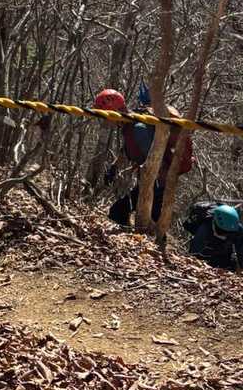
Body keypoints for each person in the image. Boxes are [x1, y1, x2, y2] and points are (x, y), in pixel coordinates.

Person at [93, 87, 194, 227]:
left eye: (105, 115)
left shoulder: (138, 128)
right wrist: (114, 168)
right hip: (152, 183)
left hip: (157, 185)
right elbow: (126, 150)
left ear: (113, 111)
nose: (104, 121)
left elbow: (154, 160)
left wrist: (152, 187)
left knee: (122, 214)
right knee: (120, 213)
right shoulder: (130, 125)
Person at [183, 202, 243, 271]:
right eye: (224, 232)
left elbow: (241, 252)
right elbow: (195, 254)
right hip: (207, 253)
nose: (226, 235)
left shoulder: (237, 228)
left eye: (229, 233)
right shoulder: (204, 229)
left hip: (224, 253)